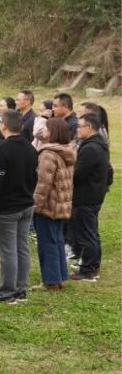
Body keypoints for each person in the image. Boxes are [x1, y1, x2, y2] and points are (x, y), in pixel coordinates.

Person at [0, 110, 39, 303]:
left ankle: (8, 291)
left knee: (8, 250)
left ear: (3, 125)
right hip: (26, 204)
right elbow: (34, 177)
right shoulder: (30, 148)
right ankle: (20, 288)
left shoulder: (2, 149)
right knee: (22, 248)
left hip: (7, 208)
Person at [31, 118, 75, 291]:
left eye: (46, 128)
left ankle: (50, 281)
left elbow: (43, 184)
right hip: (61, 205)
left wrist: (36, 206)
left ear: (53, 132)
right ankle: (60, 276)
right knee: (57, 240)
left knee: (47, 242)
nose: (44, 131)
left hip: (48, 206)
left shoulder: (48, 154)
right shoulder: (66, 152)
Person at [71, 114, 111, 282]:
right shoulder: (99, 145)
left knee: (86, 234)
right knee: (91, 232)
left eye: (79, 126)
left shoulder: (90, 148)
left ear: (89, 128)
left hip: (86, 197)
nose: (77, 130)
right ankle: (93, 265)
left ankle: (88, 270)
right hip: (94, 195)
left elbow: (78, 175)